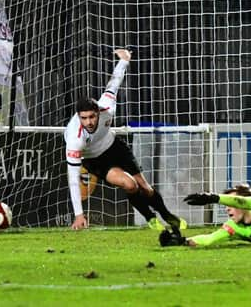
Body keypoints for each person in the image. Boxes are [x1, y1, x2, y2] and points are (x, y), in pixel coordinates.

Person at [65, 48, 186, 232]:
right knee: (130, 184)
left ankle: (168, 216)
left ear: (98, 113)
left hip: (115, 147)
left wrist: (124, 60)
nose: (89, 122)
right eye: (84, 118)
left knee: (145, 187)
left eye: (92, 117)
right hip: (95, 160)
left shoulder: (107, 107)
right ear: (79, 117)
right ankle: (150, 218)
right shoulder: (75, 139)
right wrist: (79, 215)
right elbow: (73, 179)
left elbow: (114, 84)